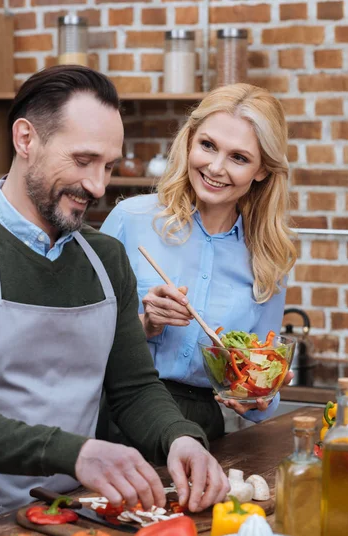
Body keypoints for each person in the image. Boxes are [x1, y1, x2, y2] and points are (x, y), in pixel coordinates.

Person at [0, 64, 230, 519]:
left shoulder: (105, 258)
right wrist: (75, 452)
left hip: (71, 514)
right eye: (82, 161)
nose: (98, 186)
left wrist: (180, 437)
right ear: (25, 140)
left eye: (109, 166)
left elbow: (134, 388)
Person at [101, 83, 296, 441]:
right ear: (190, 141)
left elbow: (258, 379)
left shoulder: (268, 258)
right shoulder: (131, 220)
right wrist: (145, 323)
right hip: (120, 413)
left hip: (204, 425)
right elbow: (83, 340)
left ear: (262, 170)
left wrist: (261, 392)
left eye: (239, 157)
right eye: (208, 145)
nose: (216, 167)